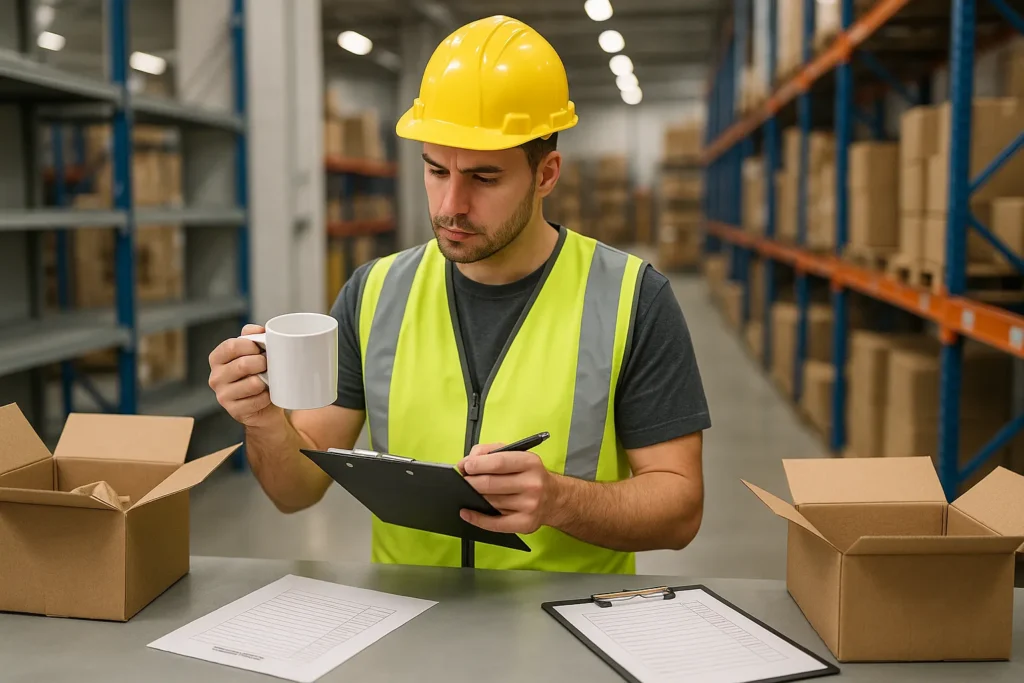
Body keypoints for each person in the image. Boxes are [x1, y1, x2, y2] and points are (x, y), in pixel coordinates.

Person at [208, 15, 710, 574]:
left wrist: (559, 499)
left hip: (564, 630)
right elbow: (294, 492)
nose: (451, 204)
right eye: (434, 169)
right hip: (410, 623)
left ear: (546, 174)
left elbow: (680, 509)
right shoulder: (374, 294)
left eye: (484, 177)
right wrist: (264, 422)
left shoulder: (631, 299)